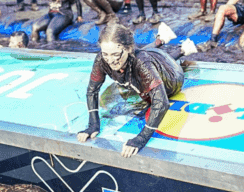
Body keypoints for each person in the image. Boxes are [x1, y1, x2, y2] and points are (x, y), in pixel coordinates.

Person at [77, 21, 184, 157]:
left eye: (115, 54)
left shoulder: (142, 61)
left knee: (145, 61)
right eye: (106, 54)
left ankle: (181, 50)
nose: (110, 61)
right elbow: (92, 90)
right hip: (145, 63)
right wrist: (93, 124)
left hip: (173, 78)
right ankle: (160, 40)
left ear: (128, 48)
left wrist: (141, 139)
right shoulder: (102, 59)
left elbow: (161, 103)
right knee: (142, 59)